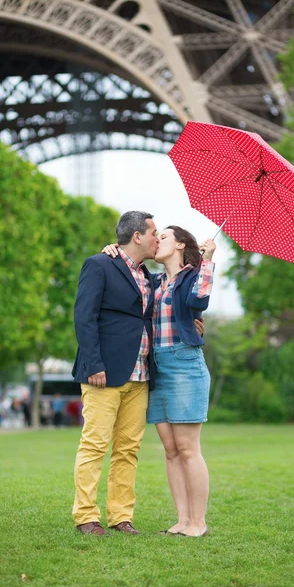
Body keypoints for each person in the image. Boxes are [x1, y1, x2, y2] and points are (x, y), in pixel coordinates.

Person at [72, 211, 205, 537]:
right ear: (137, 237)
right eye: (153, 233)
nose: (157, 238)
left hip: (142, 377)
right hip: (105, 373)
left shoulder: (150, 277)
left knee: (127, 450)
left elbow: (181, 303)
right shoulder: (100, 264)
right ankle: (86, 516)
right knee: (94, 446)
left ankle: (121, 517)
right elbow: (83, 317)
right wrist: (94, 364)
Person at [103, 225, 215, 537]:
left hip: (185, 365)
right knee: (170, 449)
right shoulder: (155, 282)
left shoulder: (193, 275)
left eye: (163, 236)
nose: (157, 239)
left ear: (180, 245)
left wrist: (207, 260)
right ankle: (181, 520)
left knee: (188, 448)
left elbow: (199, 302)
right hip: (159, 369)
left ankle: (198, 522)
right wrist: (114, 249)